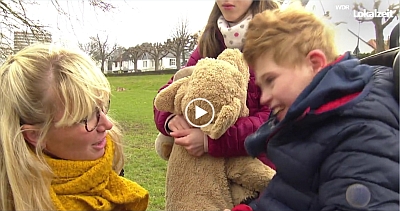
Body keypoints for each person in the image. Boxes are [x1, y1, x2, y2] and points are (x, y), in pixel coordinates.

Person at [229, 4, 399, 211]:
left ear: (315, 64)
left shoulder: (360, 133)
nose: (264, 98)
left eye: (271, 80)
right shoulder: (315, 119)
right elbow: (290, 197)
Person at [0, 43, 149, 210]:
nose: (107, 124)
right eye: (85, 117)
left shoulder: (107, 166)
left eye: (102, 106)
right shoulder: (17, 201)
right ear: (35, 135)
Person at [154, 0, 280, 169]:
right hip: (206, 175)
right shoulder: (210, 41)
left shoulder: (278, 41)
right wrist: (170, 120)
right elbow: (172, 89)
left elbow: (276, 119)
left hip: (259, 175)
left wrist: (211, 141)